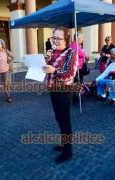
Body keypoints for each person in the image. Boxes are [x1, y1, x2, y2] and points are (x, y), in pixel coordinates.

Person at [43, 27, 77, 164]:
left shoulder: (71, 53)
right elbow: (47, 68)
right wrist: (45, 61)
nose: (55, 40)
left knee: (65, 120)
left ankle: (68, 151)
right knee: (59, 118)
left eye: (58, 38)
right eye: (53, 37)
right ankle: (63, 144)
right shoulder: (52, 52)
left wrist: (54, 70)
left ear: (66, 39)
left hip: (64, 90)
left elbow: (70, 73)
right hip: (53, 89)